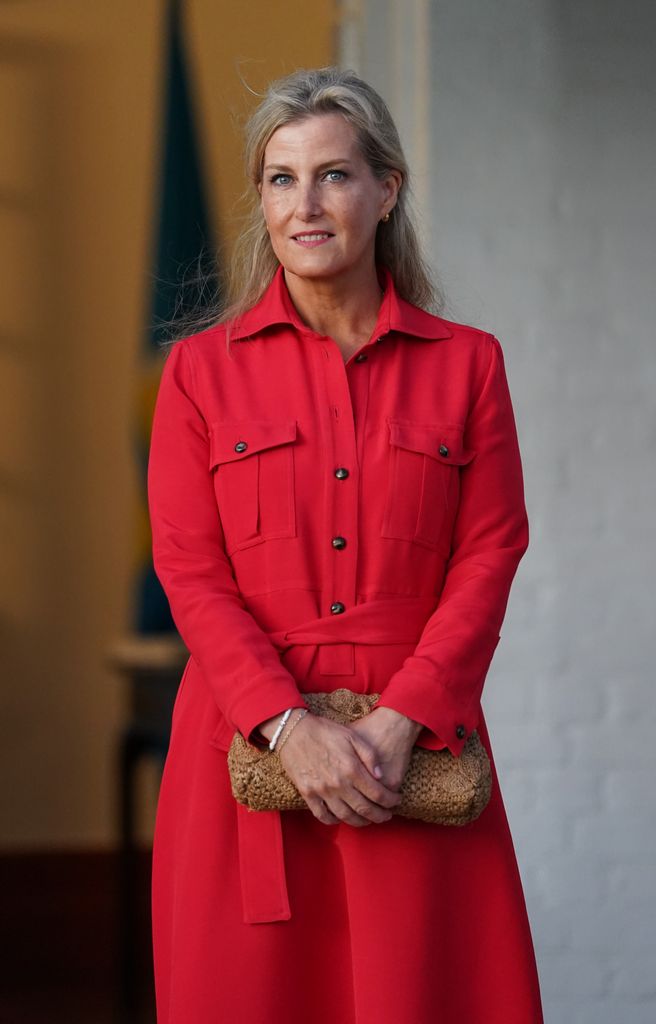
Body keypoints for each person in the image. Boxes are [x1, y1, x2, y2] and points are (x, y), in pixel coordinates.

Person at [147, 65, 544, 1024]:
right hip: (246, 756)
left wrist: (403, 719)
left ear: (387, 189)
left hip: (409, 757)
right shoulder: (199, 376)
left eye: (333, 175)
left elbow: (490, 554)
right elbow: (190, 571)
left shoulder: (469, 365)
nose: (306, 204)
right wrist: (288, 728)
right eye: (282, 179)